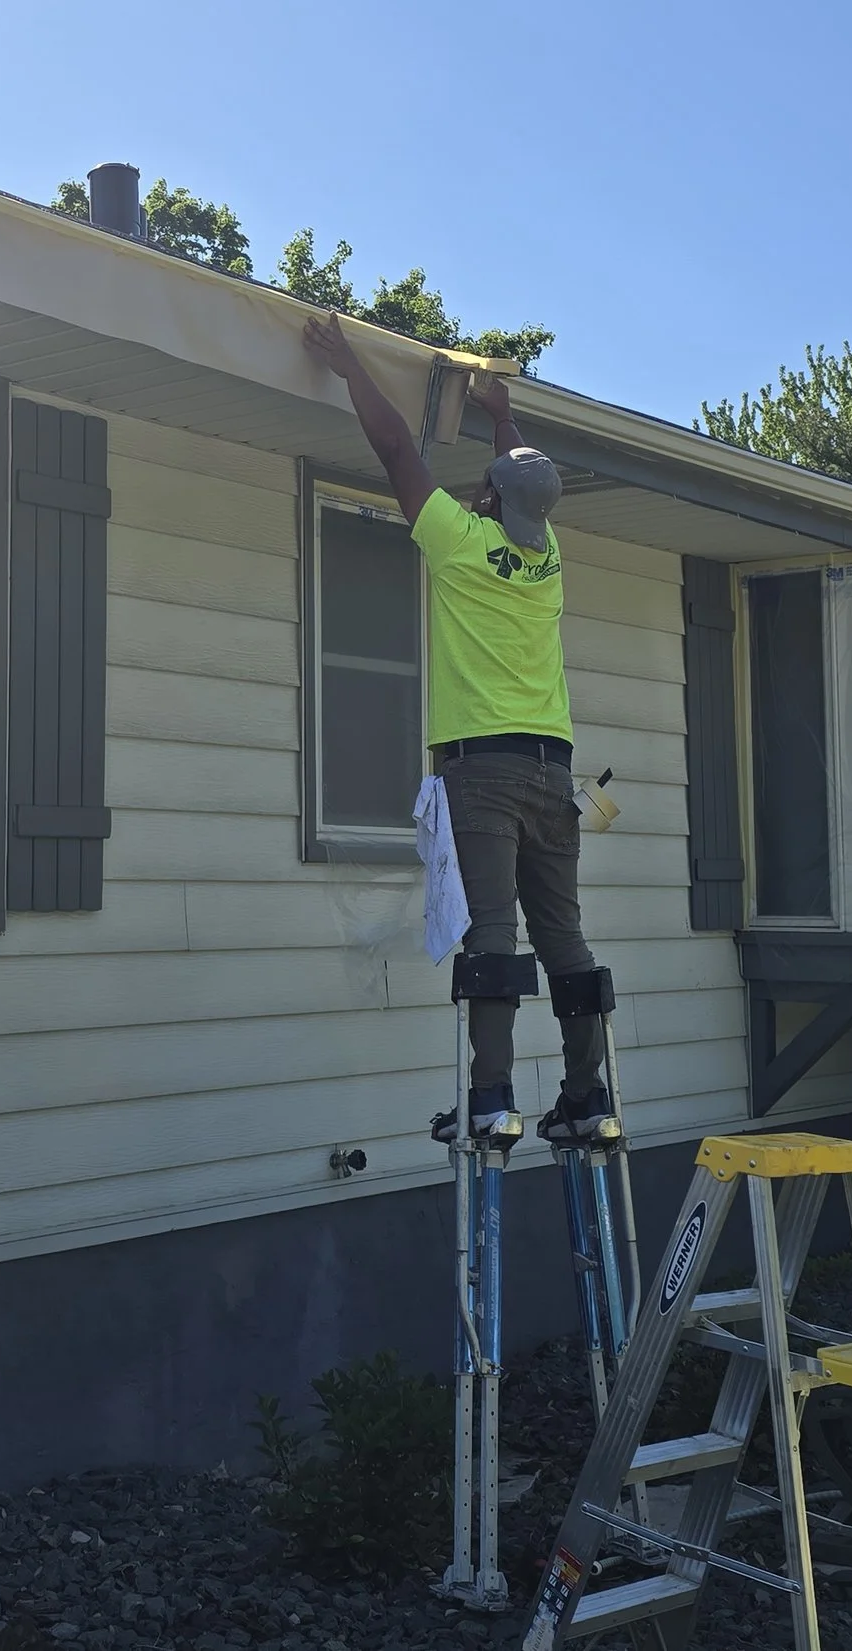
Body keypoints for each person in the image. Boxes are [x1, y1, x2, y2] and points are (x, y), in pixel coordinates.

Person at [301, 313, 617, 1147]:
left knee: (492, 935)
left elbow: (399, 453)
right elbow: (525, 481)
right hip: (554, 774)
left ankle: (491, 1098)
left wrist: (348, 365)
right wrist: (500, 410)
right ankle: (589, 1095)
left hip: (484, 773)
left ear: (490, 497)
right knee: (566, 937)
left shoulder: (462, 545)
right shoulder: (546, 560)